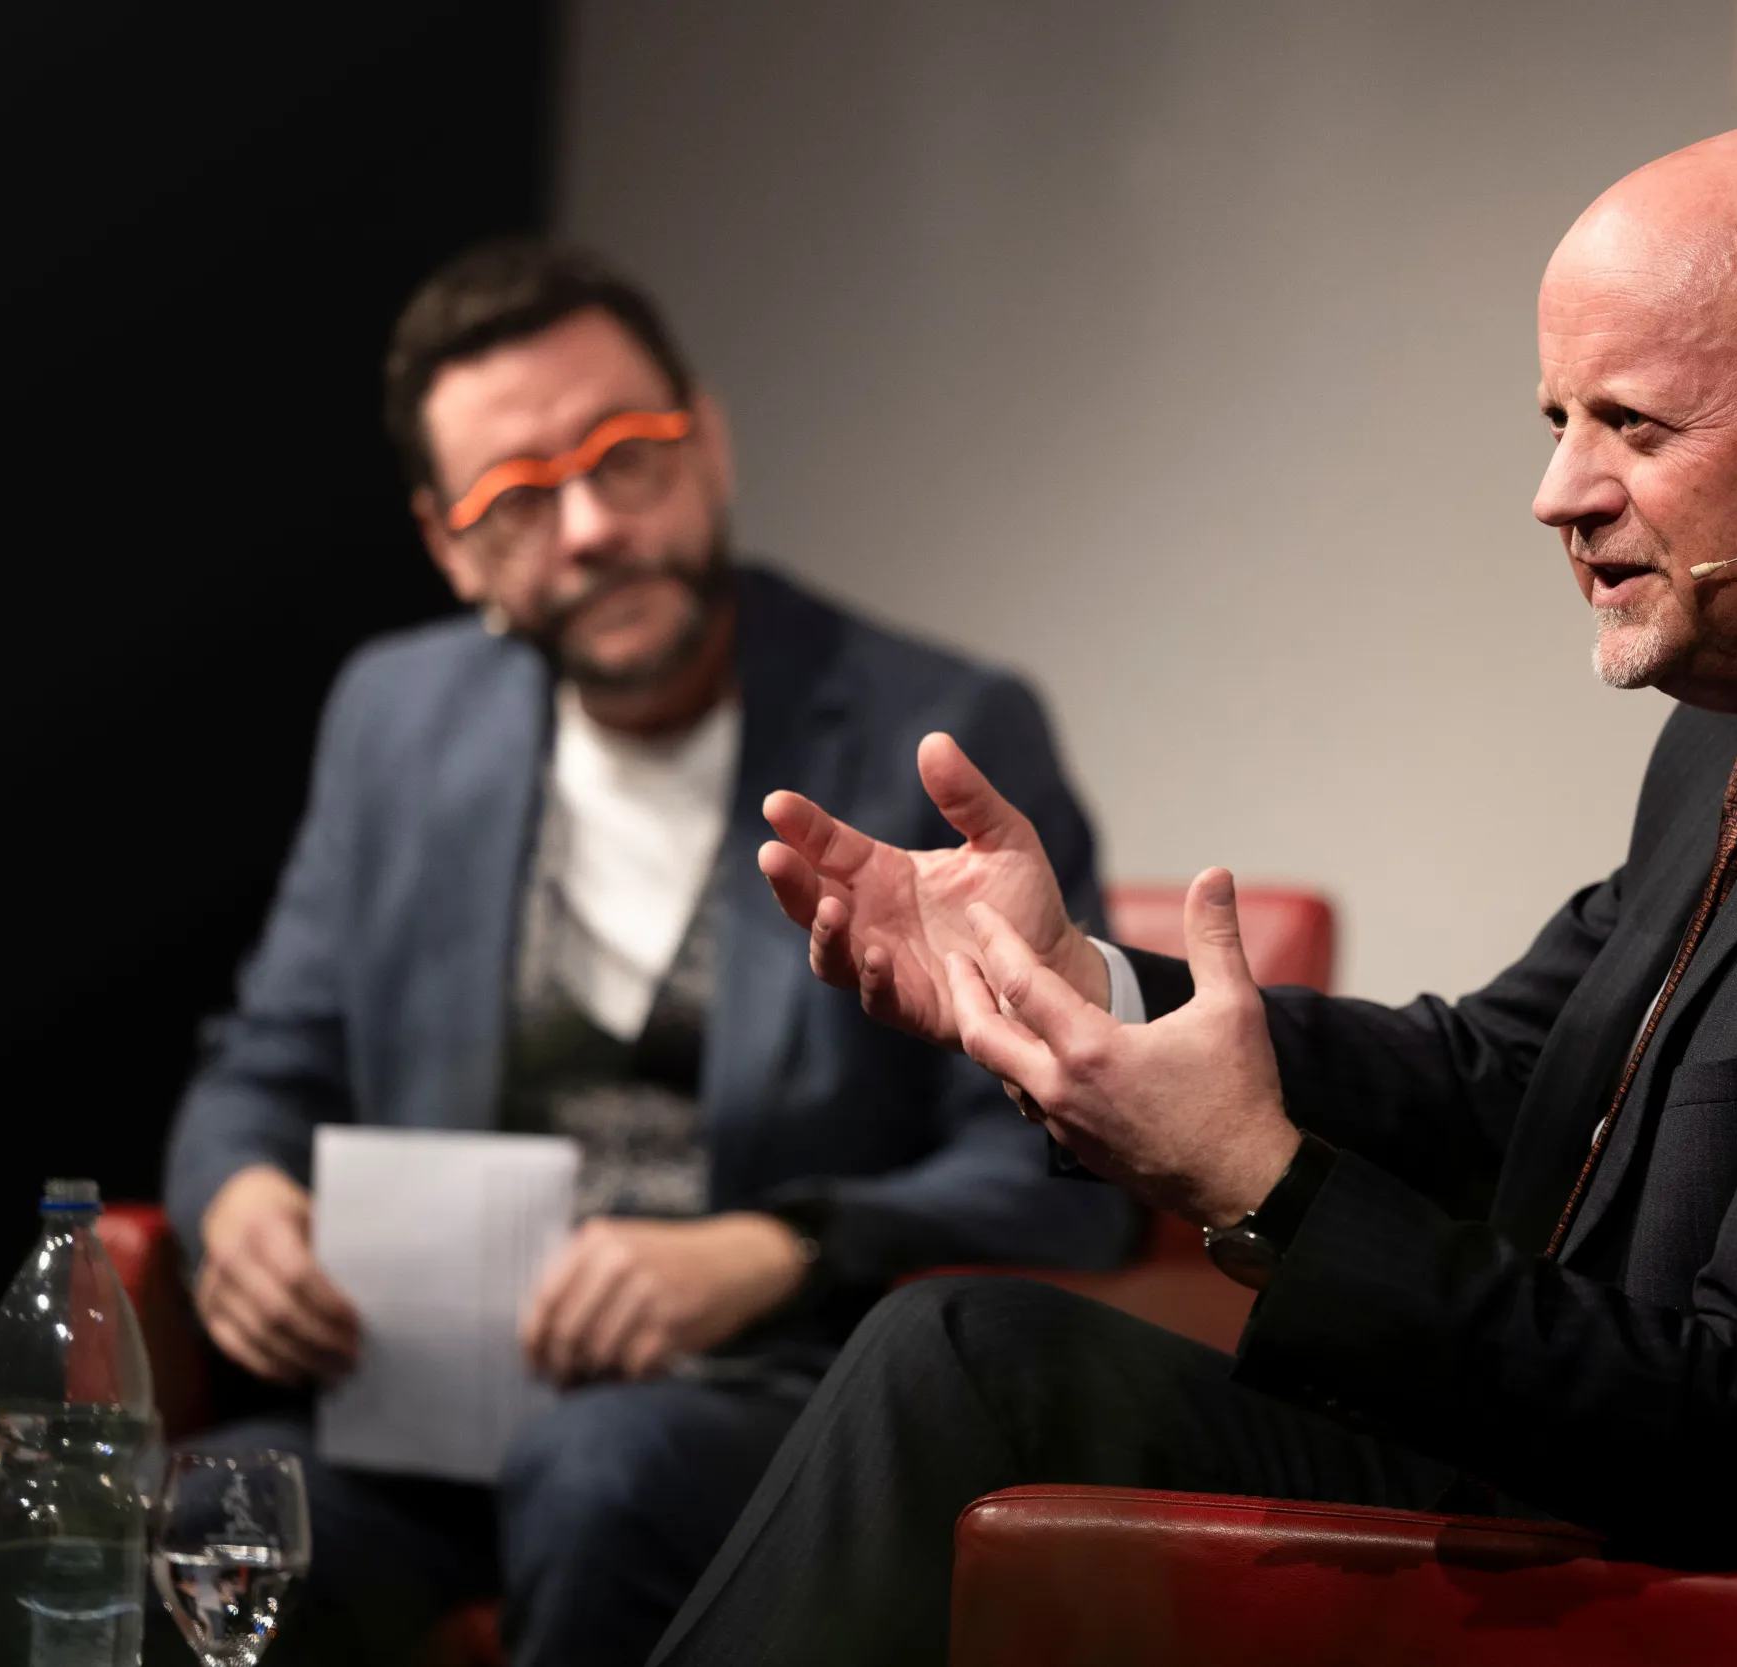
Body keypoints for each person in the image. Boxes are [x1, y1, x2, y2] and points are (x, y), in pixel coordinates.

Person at [648, 121, 1737, 1665]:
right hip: (1583, 1468)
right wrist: (1086, 984)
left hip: (1714, 1580)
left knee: (953, 1375)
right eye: (1556, 421)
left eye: (1633, 426)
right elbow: (1503, 1074)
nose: (1559, 492)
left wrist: (1260, 1185)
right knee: (963, 1355)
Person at [158, 241, 1136, 1667]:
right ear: (448, 546)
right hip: (422, 1411)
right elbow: (265, 1063)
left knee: (601, 1472)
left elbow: (1056, 1164)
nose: (590, 528)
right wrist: (240, 1202)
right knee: (194, 1520)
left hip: (752, 1413)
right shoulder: (395, 719)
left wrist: (773, 1247)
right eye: (515, 499)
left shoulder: (931, 733)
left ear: (708, 441)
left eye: (625, 456)